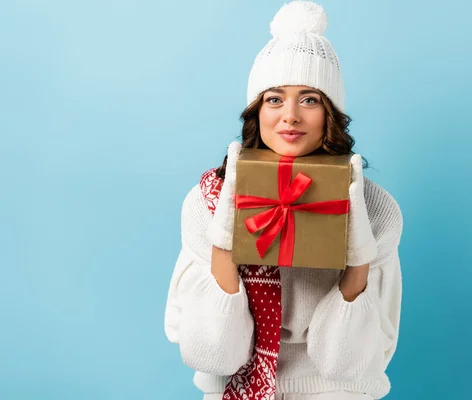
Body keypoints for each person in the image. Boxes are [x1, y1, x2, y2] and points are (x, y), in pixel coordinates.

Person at [164, 1, 404, 399]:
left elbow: (349, 365)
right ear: (256, 112)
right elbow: (214, 355)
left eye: (309, 99)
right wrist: (225, 241)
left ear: (331, 113)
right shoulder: (206, 201)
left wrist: (357, 259)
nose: (289, 116)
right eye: (274, 99)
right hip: (235, 386)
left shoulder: (376, 209)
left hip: (335, 390)